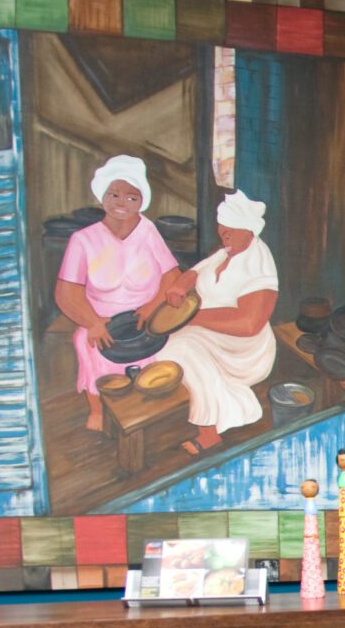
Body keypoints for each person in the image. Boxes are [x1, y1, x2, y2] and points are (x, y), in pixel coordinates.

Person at [55, 155, 183, 431]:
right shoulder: (83, 240)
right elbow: (66, 292)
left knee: (169, 350)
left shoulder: (148, 231)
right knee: (86, 341)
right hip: (101, 318)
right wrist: (92, 322)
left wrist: (152, 307)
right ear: (102, 196)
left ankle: (146, 410)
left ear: (141, 201)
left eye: (130, 196)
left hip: (144, 316)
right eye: (113, 194)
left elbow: (172, 276)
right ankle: (97, 410)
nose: (121, 202)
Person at [153, 190, 280, 455]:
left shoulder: (259, 263)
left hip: (243, 348)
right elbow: (198, 270)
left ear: (250, 231)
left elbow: (249, 324)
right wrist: (179, 285)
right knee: (168, 346)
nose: (225, 235)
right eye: (223, 229)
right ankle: (213, 403)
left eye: (232, 229)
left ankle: (208, 432)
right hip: (208, 330)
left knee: (181, 350)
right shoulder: (227, 251)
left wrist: (191, 318)